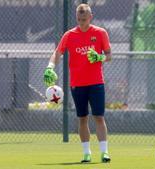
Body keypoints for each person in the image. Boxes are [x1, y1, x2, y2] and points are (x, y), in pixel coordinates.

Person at [44, 4, 112, 163]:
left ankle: (104, 153)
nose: (81, 23)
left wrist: (100, 57)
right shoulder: (69, 35)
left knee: (99, 117)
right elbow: (57, 52)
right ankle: (86, 154)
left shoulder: (100, 33)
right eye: (79, 19)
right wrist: (50, 67)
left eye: (84, 19)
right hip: (77, 84)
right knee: (82, 118)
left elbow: (109, 55)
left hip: (96, 83)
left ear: (91, 17)